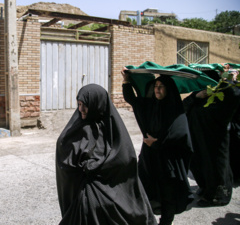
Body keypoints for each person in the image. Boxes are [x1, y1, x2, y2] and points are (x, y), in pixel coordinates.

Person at [56, 84, 157, 225]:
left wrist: (97, 165)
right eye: (79, 104)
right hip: (84, 197)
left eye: (85, 105)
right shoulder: (76, 129)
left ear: (97, 104)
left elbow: (125, 160)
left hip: (111, 194)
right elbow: (65, 156)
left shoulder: (113, 130)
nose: (81, 109)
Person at [121, 68, 194, 225]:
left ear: (169, 89)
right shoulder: (151, 105)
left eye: (161, 86)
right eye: (155, 86)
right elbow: (131, 99)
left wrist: (158, 143)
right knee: (143, 188)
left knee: (168, 195)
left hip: (167, 162)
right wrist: (126, 80)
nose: (157, 89)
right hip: (150, 157)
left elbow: (180, 135)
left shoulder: (175, 110)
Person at [183, 75, 240, 206]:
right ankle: (205, 188)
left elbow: (235, 95)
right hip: (197, 138)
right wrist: (197, 96)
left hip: (215, 140)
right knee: (199, 165)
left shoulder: (225, 96)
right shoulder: (200, 94)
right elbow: (184, 106)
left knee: (216, 167)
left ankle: (218, 197)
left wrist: (230, 81)